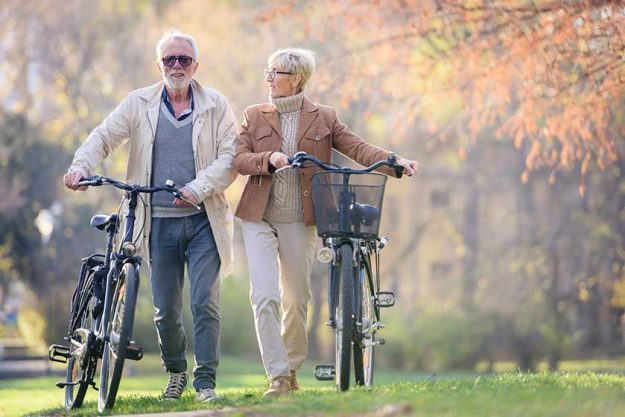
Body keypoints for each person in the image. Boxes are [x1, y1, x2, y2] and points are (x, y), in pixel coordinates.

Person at [63, 30, 238, 403]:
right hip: (155, 223)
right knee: (165, 311)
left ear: (196, 66)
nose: (177, 66)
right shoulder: (138, 103)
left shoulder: (217, 104)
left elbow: (230, 159)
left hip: (204, 218)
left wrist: (197, 187)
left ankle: (205, 382)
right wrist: (81, 166)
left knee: (204, 302)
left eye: (184, 60)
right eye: (169, 60)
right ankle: (176, 372)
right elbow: (104, 136)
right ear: (158, 65)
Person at [233, 48, 418, 398]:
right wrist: (267, 159)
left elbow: (358, 147)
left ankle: (290, 370)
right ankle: (277, 377)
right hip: (258, 216)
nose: (268, 78)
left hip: (300, 220)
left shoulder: (324, 117)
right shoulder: (254, 115)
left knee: (297, 298)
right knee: (264, 295)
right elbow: (239, 158)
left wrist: (393, 160)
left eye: (275, 72)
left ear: (296, 78)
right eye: (267, 71)